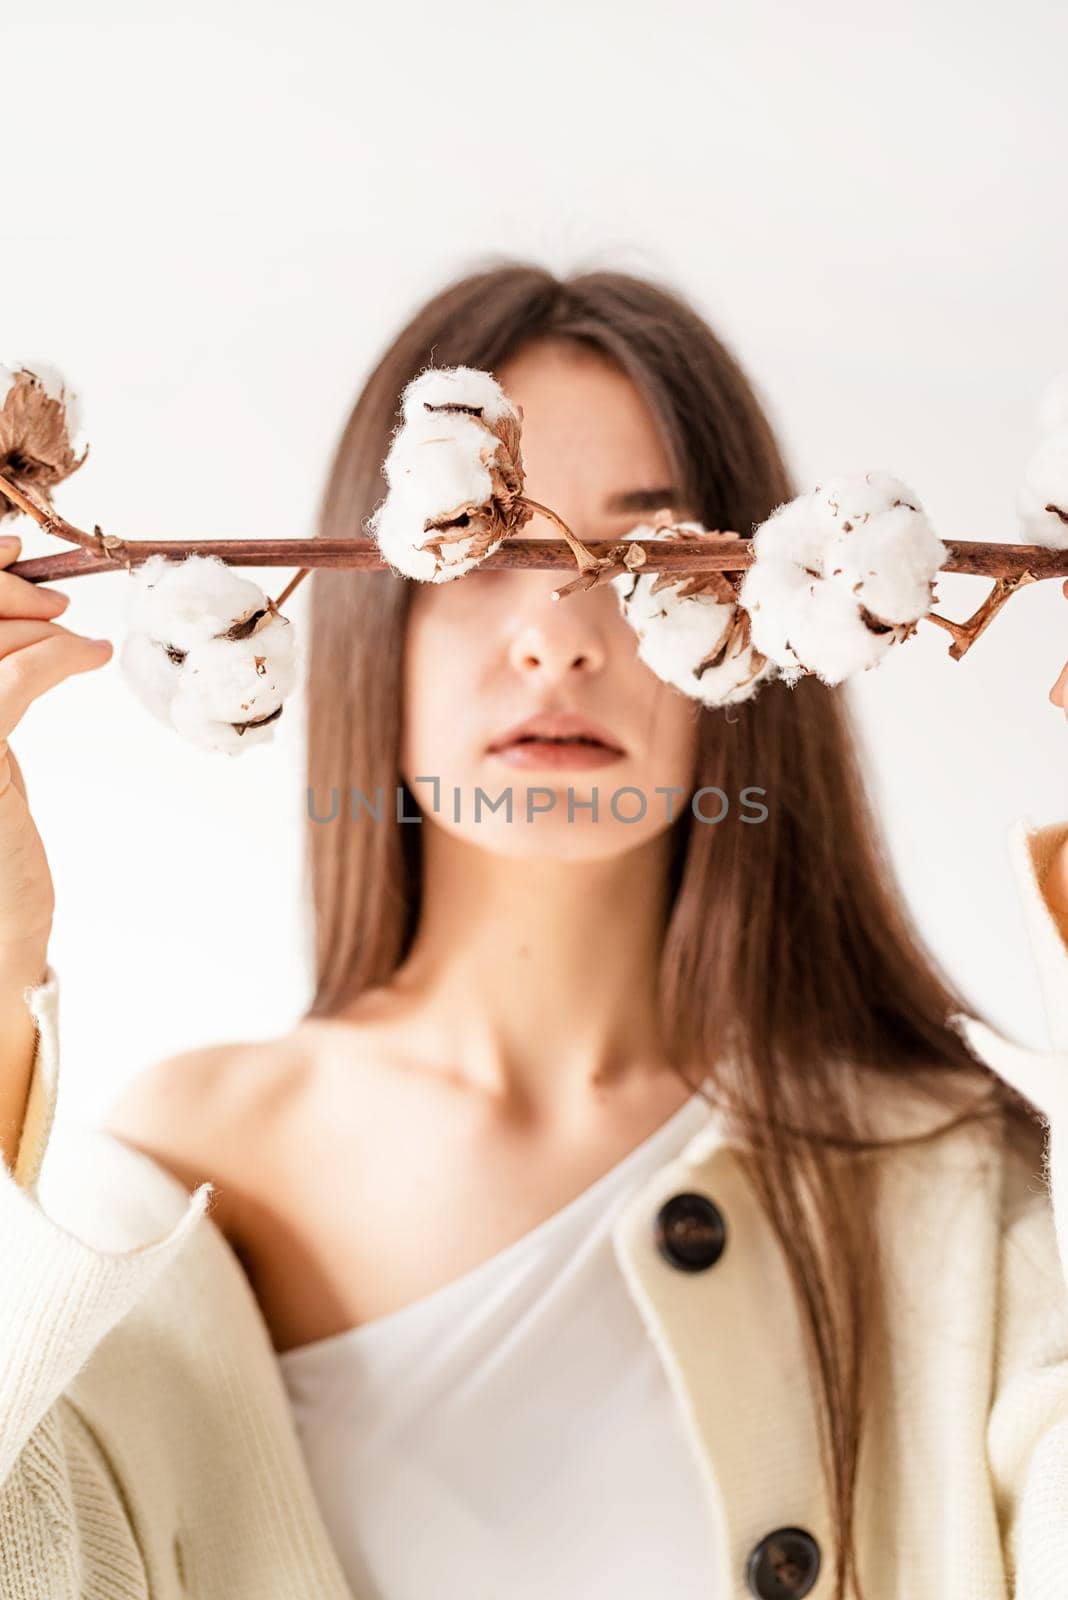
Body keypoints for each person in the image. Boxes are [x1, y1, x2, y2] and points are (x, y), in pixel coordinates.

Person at [2, 265, 1068, 1600]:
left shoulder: (958, 1182)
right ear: (364, 608)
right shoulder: (169, 1192)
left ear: (762, 624)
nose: (560, 636)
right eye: (481, 549)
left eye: (657, 554)